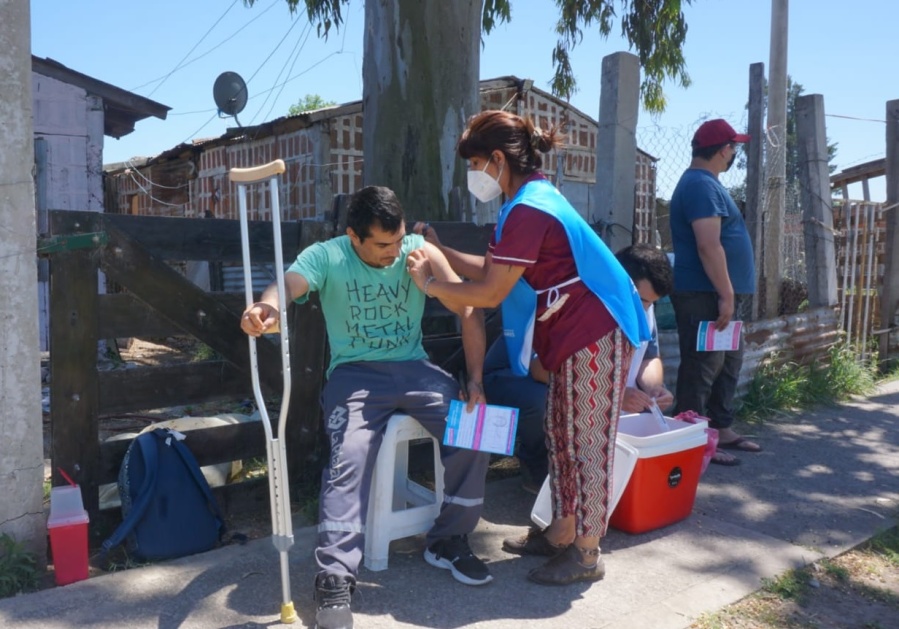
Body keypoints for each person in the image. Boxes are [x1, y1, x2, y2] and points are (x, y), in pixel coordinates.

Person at [406, 109, 650, 587]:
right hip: (570, 332)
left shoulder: (532, 208)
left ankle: (586, 554)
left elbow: (492, 293)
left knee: (587, 444)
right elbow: (488, 270)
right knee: (560, 434)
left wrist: (432, 283)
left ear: (498, 158)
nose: (475, 175)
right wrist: (438, 250)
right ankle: (559, 532)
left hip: (597, 329)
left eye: (476, 164)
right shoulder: (522, 204)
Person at [240, 186, 492, 629]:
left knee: (478, 428)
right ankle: (335, 575)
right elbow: (289, 283)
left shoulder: (418, 250)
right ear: (354, 236)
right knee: (349, 456)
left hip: (416, 368)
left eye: (397, 241)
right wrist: (266, 307)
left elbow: (467, 307)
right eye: (381, 245)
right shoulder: (329, 254)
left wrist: (475, 379)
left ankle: (449, 538)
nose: (393, 252)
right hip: (354, 374)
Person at [669, 118, 762, 466]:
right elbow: (709, 246)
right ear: (723, 150)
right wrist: (725, 294)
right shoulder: (700, 186)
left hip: (717, 294)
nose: (734, 153)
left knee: (727, 362)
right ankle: (691, 439)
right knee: (702, 367)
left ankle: (720, 428)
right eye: (734, 147)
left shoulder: (708, 184)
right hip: (704, 294)